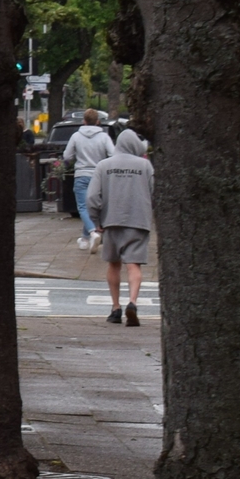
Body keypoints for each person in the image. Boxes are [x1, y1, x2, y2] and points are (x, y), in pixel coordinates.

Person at [86, 128, 153, 327]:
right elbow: (154, 191)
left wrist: (96, 220)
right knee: (133, 265)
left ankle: (115, 308)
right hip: (138, 221)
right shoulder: (145, 165)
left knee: (113, 264)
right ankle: (132, 302)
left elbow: (92, 197)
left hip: (111, 220)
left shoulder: (103, 165)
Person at [64, 108, 114, 251]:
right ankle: (85, 239)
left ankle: (92, 232)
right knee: (96, 207)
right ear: (98, 121)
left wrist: (69, 164)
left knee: (83, 207)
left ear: (84, 121)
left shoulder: (76, 136)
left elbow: (67, 157)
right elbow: (113, 154)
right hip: (99, 176)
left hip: (81, 174)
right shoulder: (104, 137)